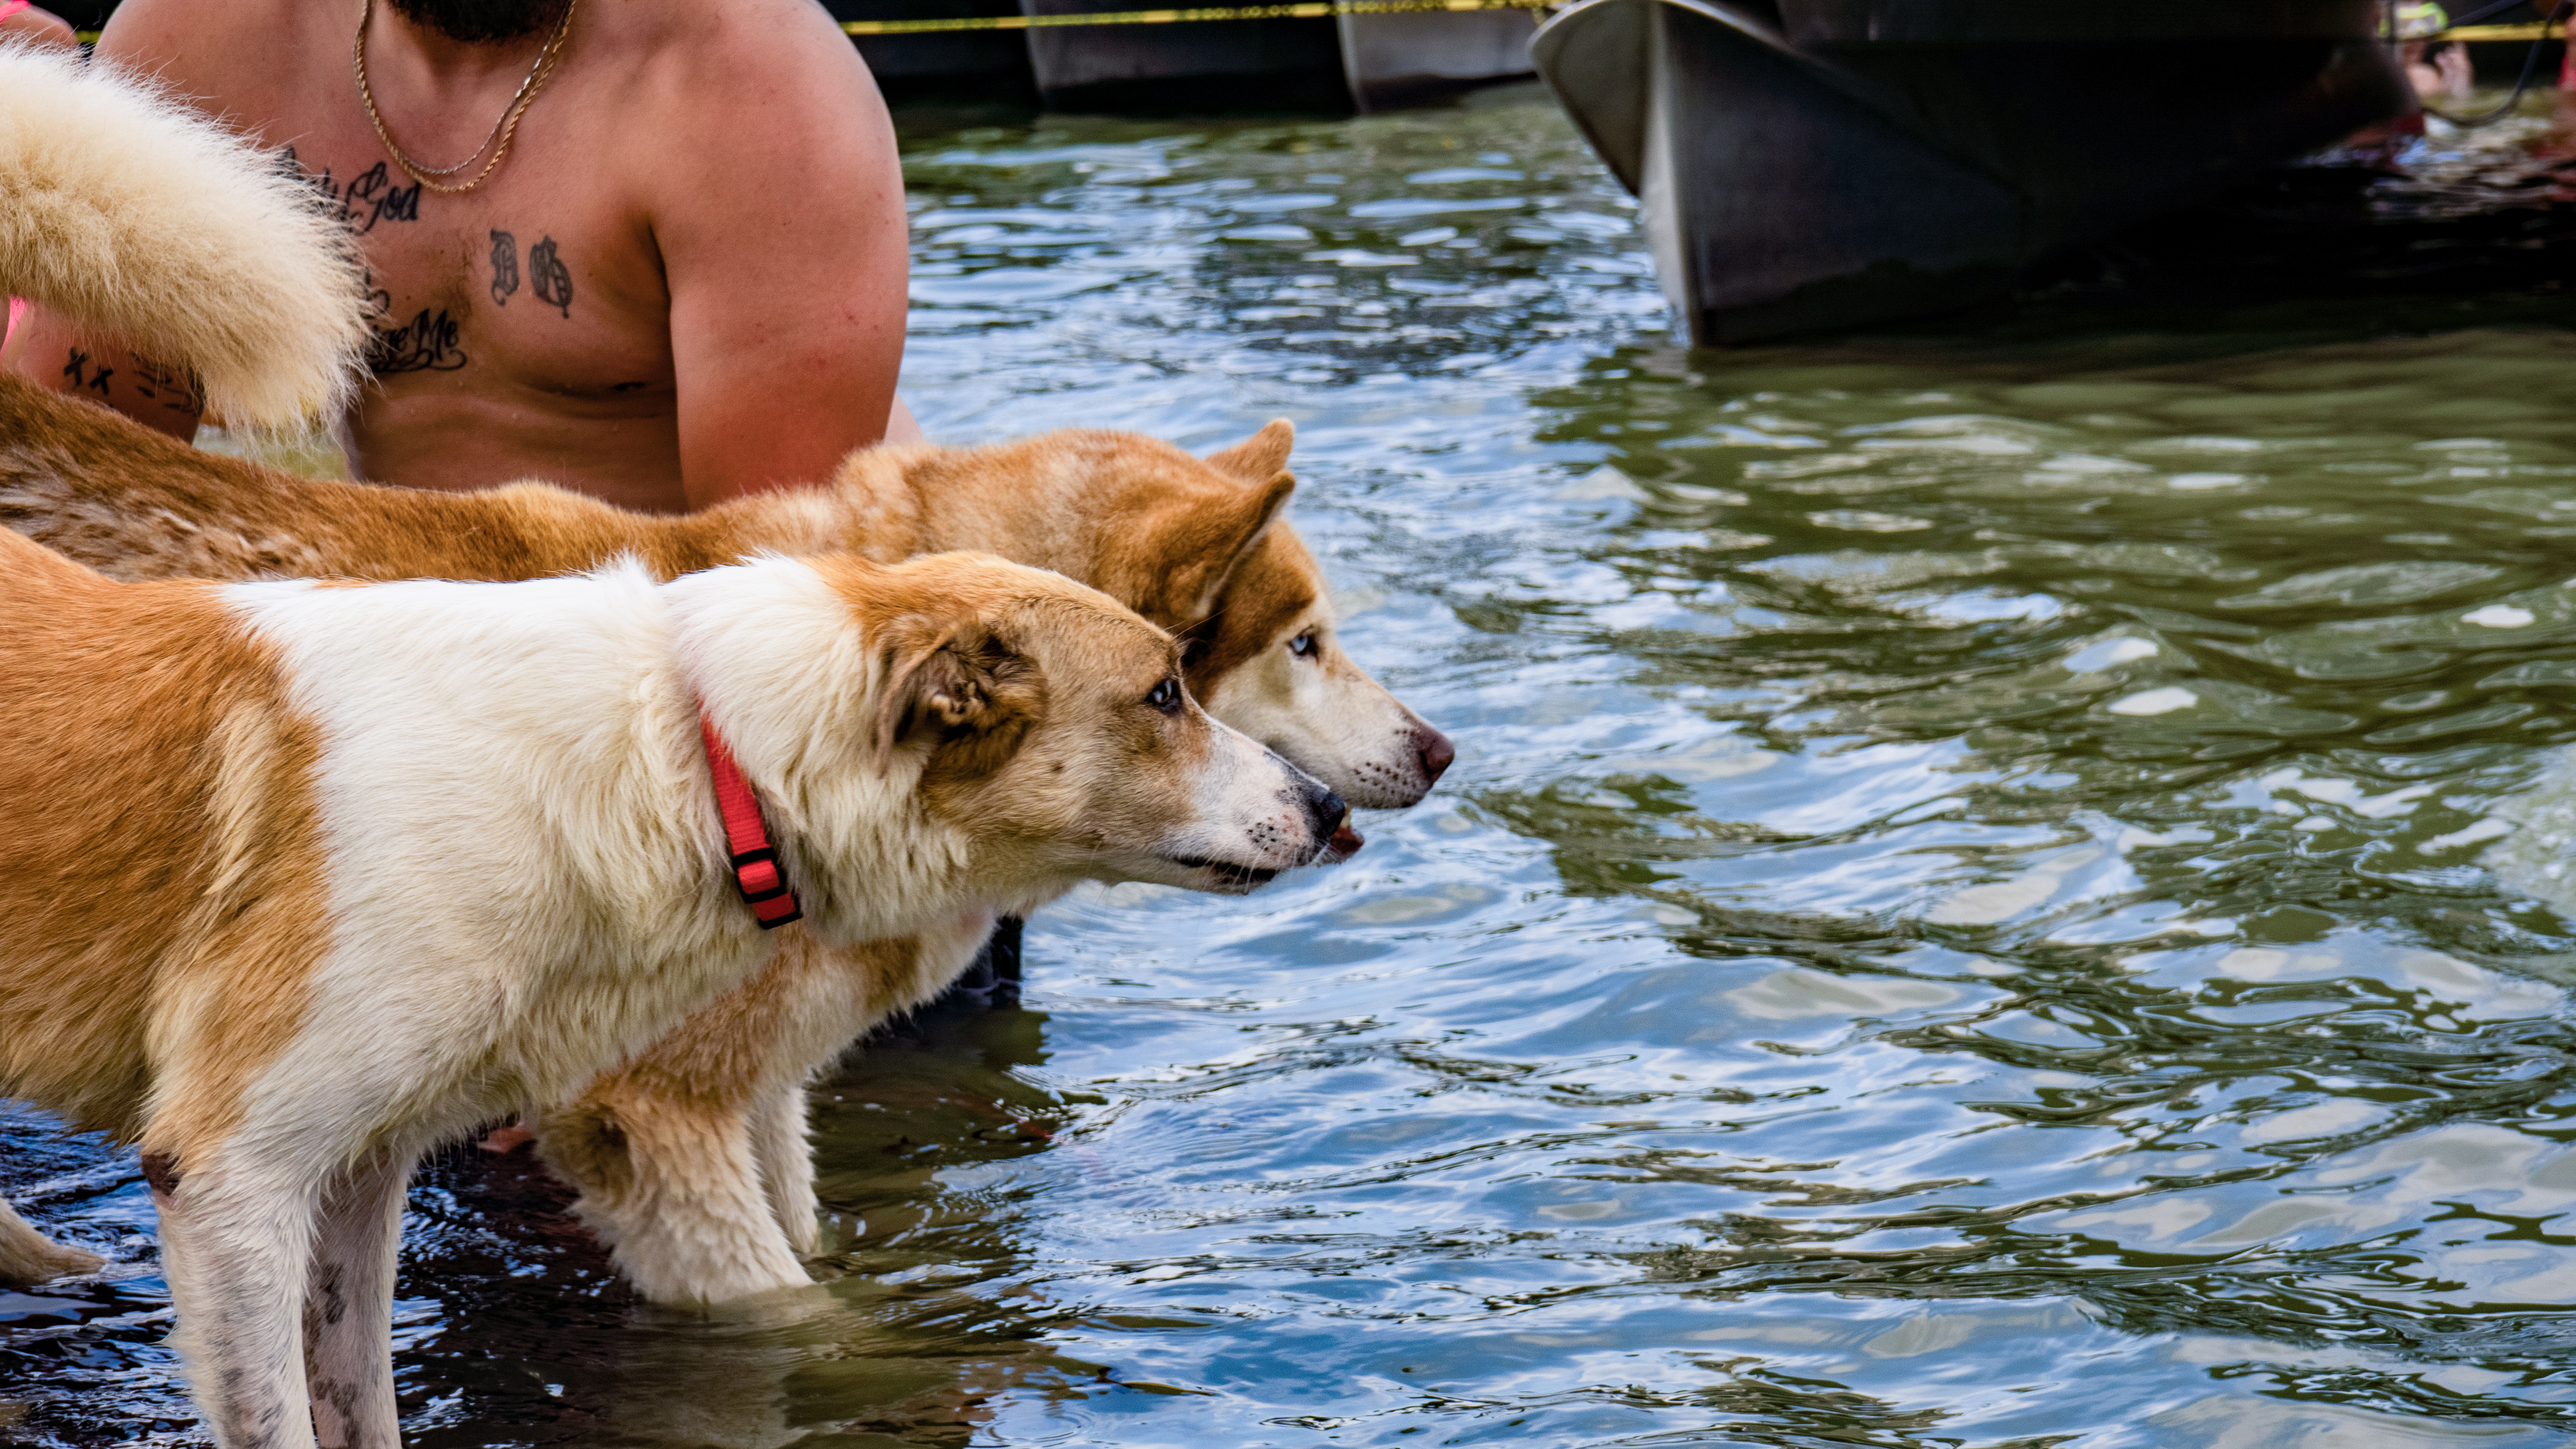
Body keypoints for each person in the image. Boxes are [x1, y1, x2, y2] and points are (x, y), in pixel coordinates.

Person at [0, 0, 922, 511]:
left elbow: (779, 591)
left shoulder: (766, 97)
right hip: (408, 648)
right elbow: (67, 481)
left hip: (667, 654)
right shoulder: (201, 43)